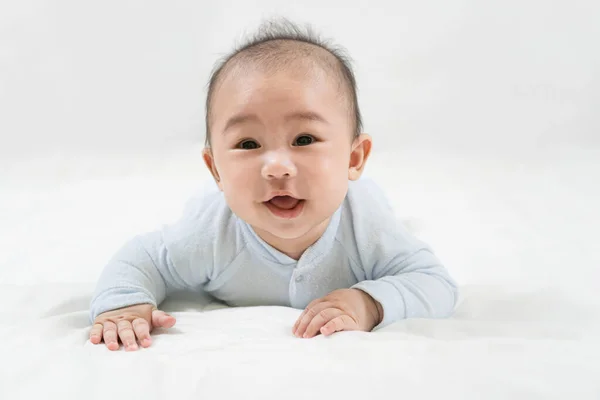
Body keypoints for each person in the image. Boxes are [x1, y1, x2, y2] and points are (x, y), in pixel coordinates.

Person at [89, 19, 458, 351]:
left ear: (353, 158)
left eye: (304, 140)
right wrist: (125, 302)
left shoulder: (367, 227)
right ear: (215, 169)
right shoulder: (208, 235)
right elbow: (144, 259)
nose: (277, 167)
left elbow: (436, 284)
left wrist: (369, 303)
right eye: (248, 144)